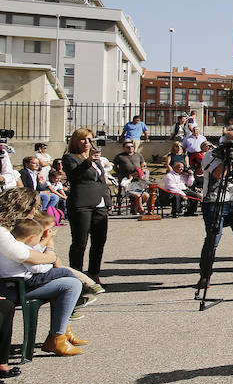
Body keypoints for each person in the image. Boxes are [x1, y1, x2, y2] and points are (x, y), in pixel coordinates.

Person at [0, 188, 86, 356]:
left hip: (16, 280)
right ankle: (57, 336)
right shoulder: (3, 231)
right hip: (12, 285)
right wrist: (51, 252)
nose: (35, 212)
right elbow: (29, 258)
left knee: (68, 279)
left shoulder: (10, 227)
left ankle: (61, 332)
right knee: (71, 283)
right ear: (25, 207)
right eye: (35, 208)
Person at [197, 129, 233, 289]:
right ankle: (205, 276)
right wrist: (229, 157)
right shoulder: (211, 154)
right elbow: (218, 174)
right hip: (214, 202)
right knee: (213, 240)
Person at [62, 128, 111, 285]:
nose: (86, 142)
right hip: (81, 204)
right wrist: (87, 161)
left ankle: (94, 273)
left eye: (89, 139)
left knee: (99, 241)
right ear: (76, 141)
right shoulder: (70, 158)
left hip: (99, 203)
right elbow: (75, 175)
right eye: (83, 139)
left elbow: (102, 180)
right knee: (80, 242)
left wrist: (108, 201)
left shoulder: (96, 160)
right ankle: (77, 276)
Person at [112, 139, 152, 215]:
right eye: (128, 147)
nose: (130, 148)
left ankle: (135, 208)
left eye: (132, 146)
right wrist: (121, 174)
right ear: (124, 148)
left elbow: (143, 163)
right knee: (137, 195)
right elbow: (114, 167)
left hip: (137, 179)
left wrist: (141, 169)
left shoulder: (138, 155)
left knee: (146, 195)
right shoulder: (119, 156)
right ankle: (141, 210)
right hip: (126, 180)